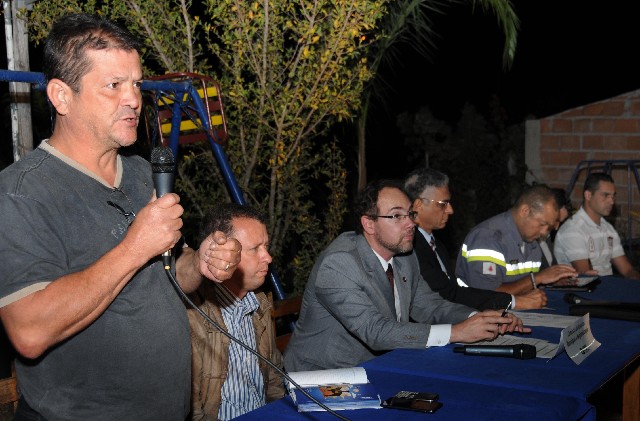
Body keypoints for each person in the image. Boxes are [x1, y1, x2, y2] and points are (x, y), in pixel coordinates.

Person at [0, 14, 241, 420]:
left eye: (137, 85)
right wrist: (135, 247)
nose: (133, 99)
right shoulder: (21, 192)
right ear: (61, 96)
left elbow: (171, 274)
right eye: (113, 86)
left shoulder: (143, 172)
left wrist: (200, 262)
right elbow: (29, 331)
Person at [283, 179, 529, 371]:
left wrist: (480, 319)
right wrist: (457, 332)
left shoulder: (404, 256)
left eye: (410, 214)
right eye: (396, 216)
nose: (411, 223)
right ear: (369, 224)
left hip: (378, 366)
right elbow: (376, 332)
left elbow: (429, 306)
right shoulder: (339, 264)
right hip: (323, 377)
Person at [188, 203, 285, 420]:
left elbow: (274, 380)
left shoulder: (259, 303)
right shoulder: (193, 317)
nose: (268, 257)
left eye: (266, 246)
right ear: (221, 253)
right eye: (255, 249)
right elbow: (191, 411)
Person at [404, 168, 545, 310]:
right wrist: (513, 302)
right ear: (419, 205)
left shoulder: (436, 245)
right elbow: (444, 297)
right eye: (443, 204)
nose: (450, 210)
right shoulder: (410, 247)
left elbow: (452, 295)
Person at [455, 184, 578, 304]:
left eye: (548, 228)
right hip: (472, 313)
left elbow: (522, 285)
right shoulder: (487, 238)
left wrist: (549, 281)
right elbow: (487, 295)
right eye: (542, 224)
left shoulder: (532, 241)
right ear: (525, 211)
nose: (544, 233)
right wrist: (536, 279)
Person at [554, 172, 640, 279]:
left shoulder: (608, 228)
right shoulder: (573, 229)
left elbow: (627, 270)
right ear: (588, 195)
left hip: (607, 284)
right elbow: (586, 275)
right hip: (587, 287)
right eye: (605, 195)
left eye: (613, 196)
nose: (611, 201)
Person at [539, 187, 573, 269]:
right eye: (555, 221)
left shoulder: (549, 239)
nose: (556, 227)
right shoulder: (530, 240)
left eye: (560, 223)